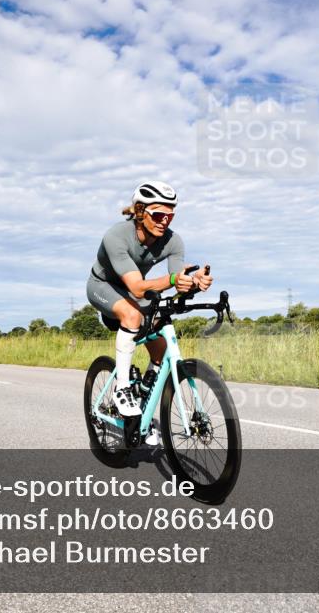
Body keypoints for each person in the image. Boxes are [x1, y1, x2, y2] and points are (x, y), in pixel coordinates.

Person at [86, 181, 212, 442]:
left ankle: (143, 404)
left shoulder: (173, 241)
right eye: (158, 214)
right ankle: (122, 389)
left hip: (134, 292)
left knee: (162, 346)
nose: (164, 221)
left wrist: (194, 283)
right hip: (104, 286)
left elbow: (176, 279)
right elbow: (137, 286)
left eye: (170, 215)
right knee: (132, 316)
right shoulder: (116, 236)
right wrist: (176, 280)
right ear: (141, 211)